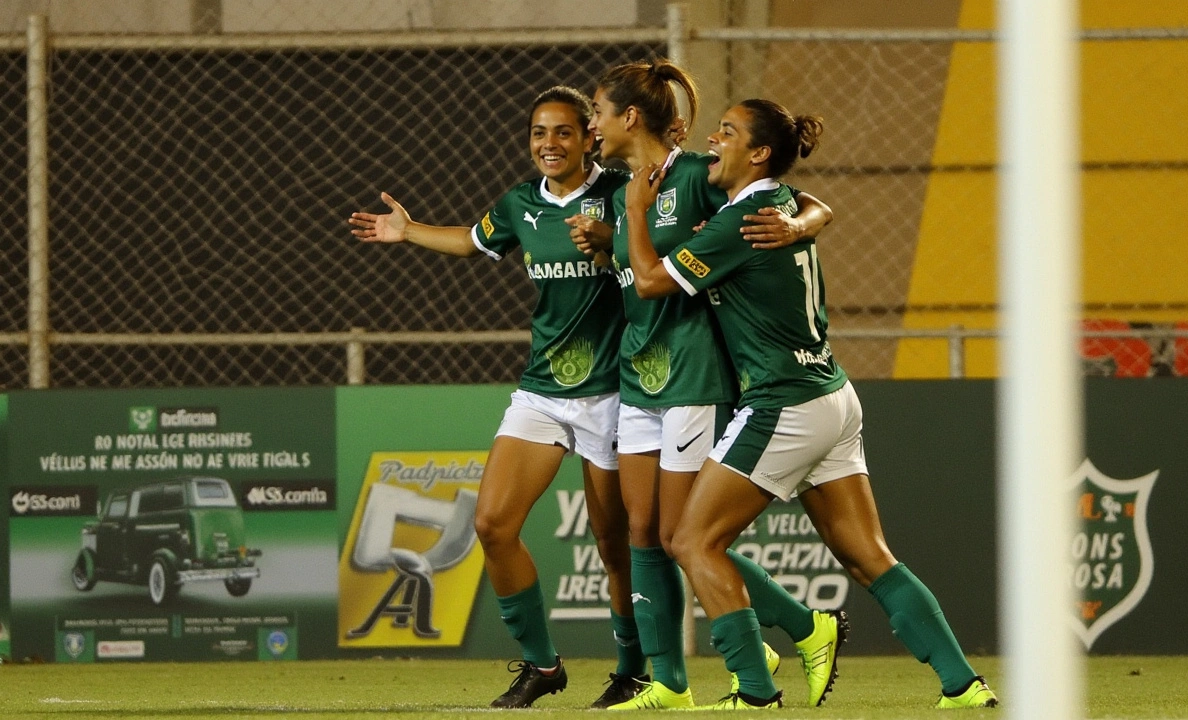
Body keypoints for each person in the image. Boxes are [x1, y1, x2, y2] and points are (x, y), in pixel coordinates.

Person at [622, 98, 1000, 710]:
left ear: (760, 153)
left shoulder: (741, 222)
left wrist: (637, 214)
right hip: (831, 394)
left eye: (727, 133)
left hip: (783, 402)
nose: (714, 140)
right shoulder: (775, 205)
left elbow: (650, 281)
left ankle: (754, 691)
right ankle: (964, 685)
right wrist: (806, 221)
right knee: (869, 557)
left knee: (692, 542)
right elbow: (814, 207)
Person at [349, 86, 644, 709]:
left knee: (613, 542)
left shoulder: (623, 192)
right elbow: (470, 240)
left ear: (591, 137)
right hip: (543, 391)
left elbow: (658, 254)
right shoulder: (519, 206)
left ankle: (633, 668)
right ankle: (542, 665)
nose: (549, 144)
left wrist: (613, 240)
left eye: (563, 132)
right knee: (491, 523)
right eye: (539, 133)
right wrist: (407, 232)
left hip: (616, 392)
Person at [584, 61, 848, 711]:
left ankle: (794, 630)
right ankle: (669, 683)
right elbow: (639, 272)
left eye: (597, 111)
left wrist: (802, 224)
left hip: (696, 376)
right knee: (643, 533)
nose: (592, 123)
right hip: (640, 375)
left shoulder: (701, 177)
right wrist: (609, 240)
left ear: (630, 118)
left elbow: (796, 201)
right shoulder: (625, 193)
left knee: (685, 537)